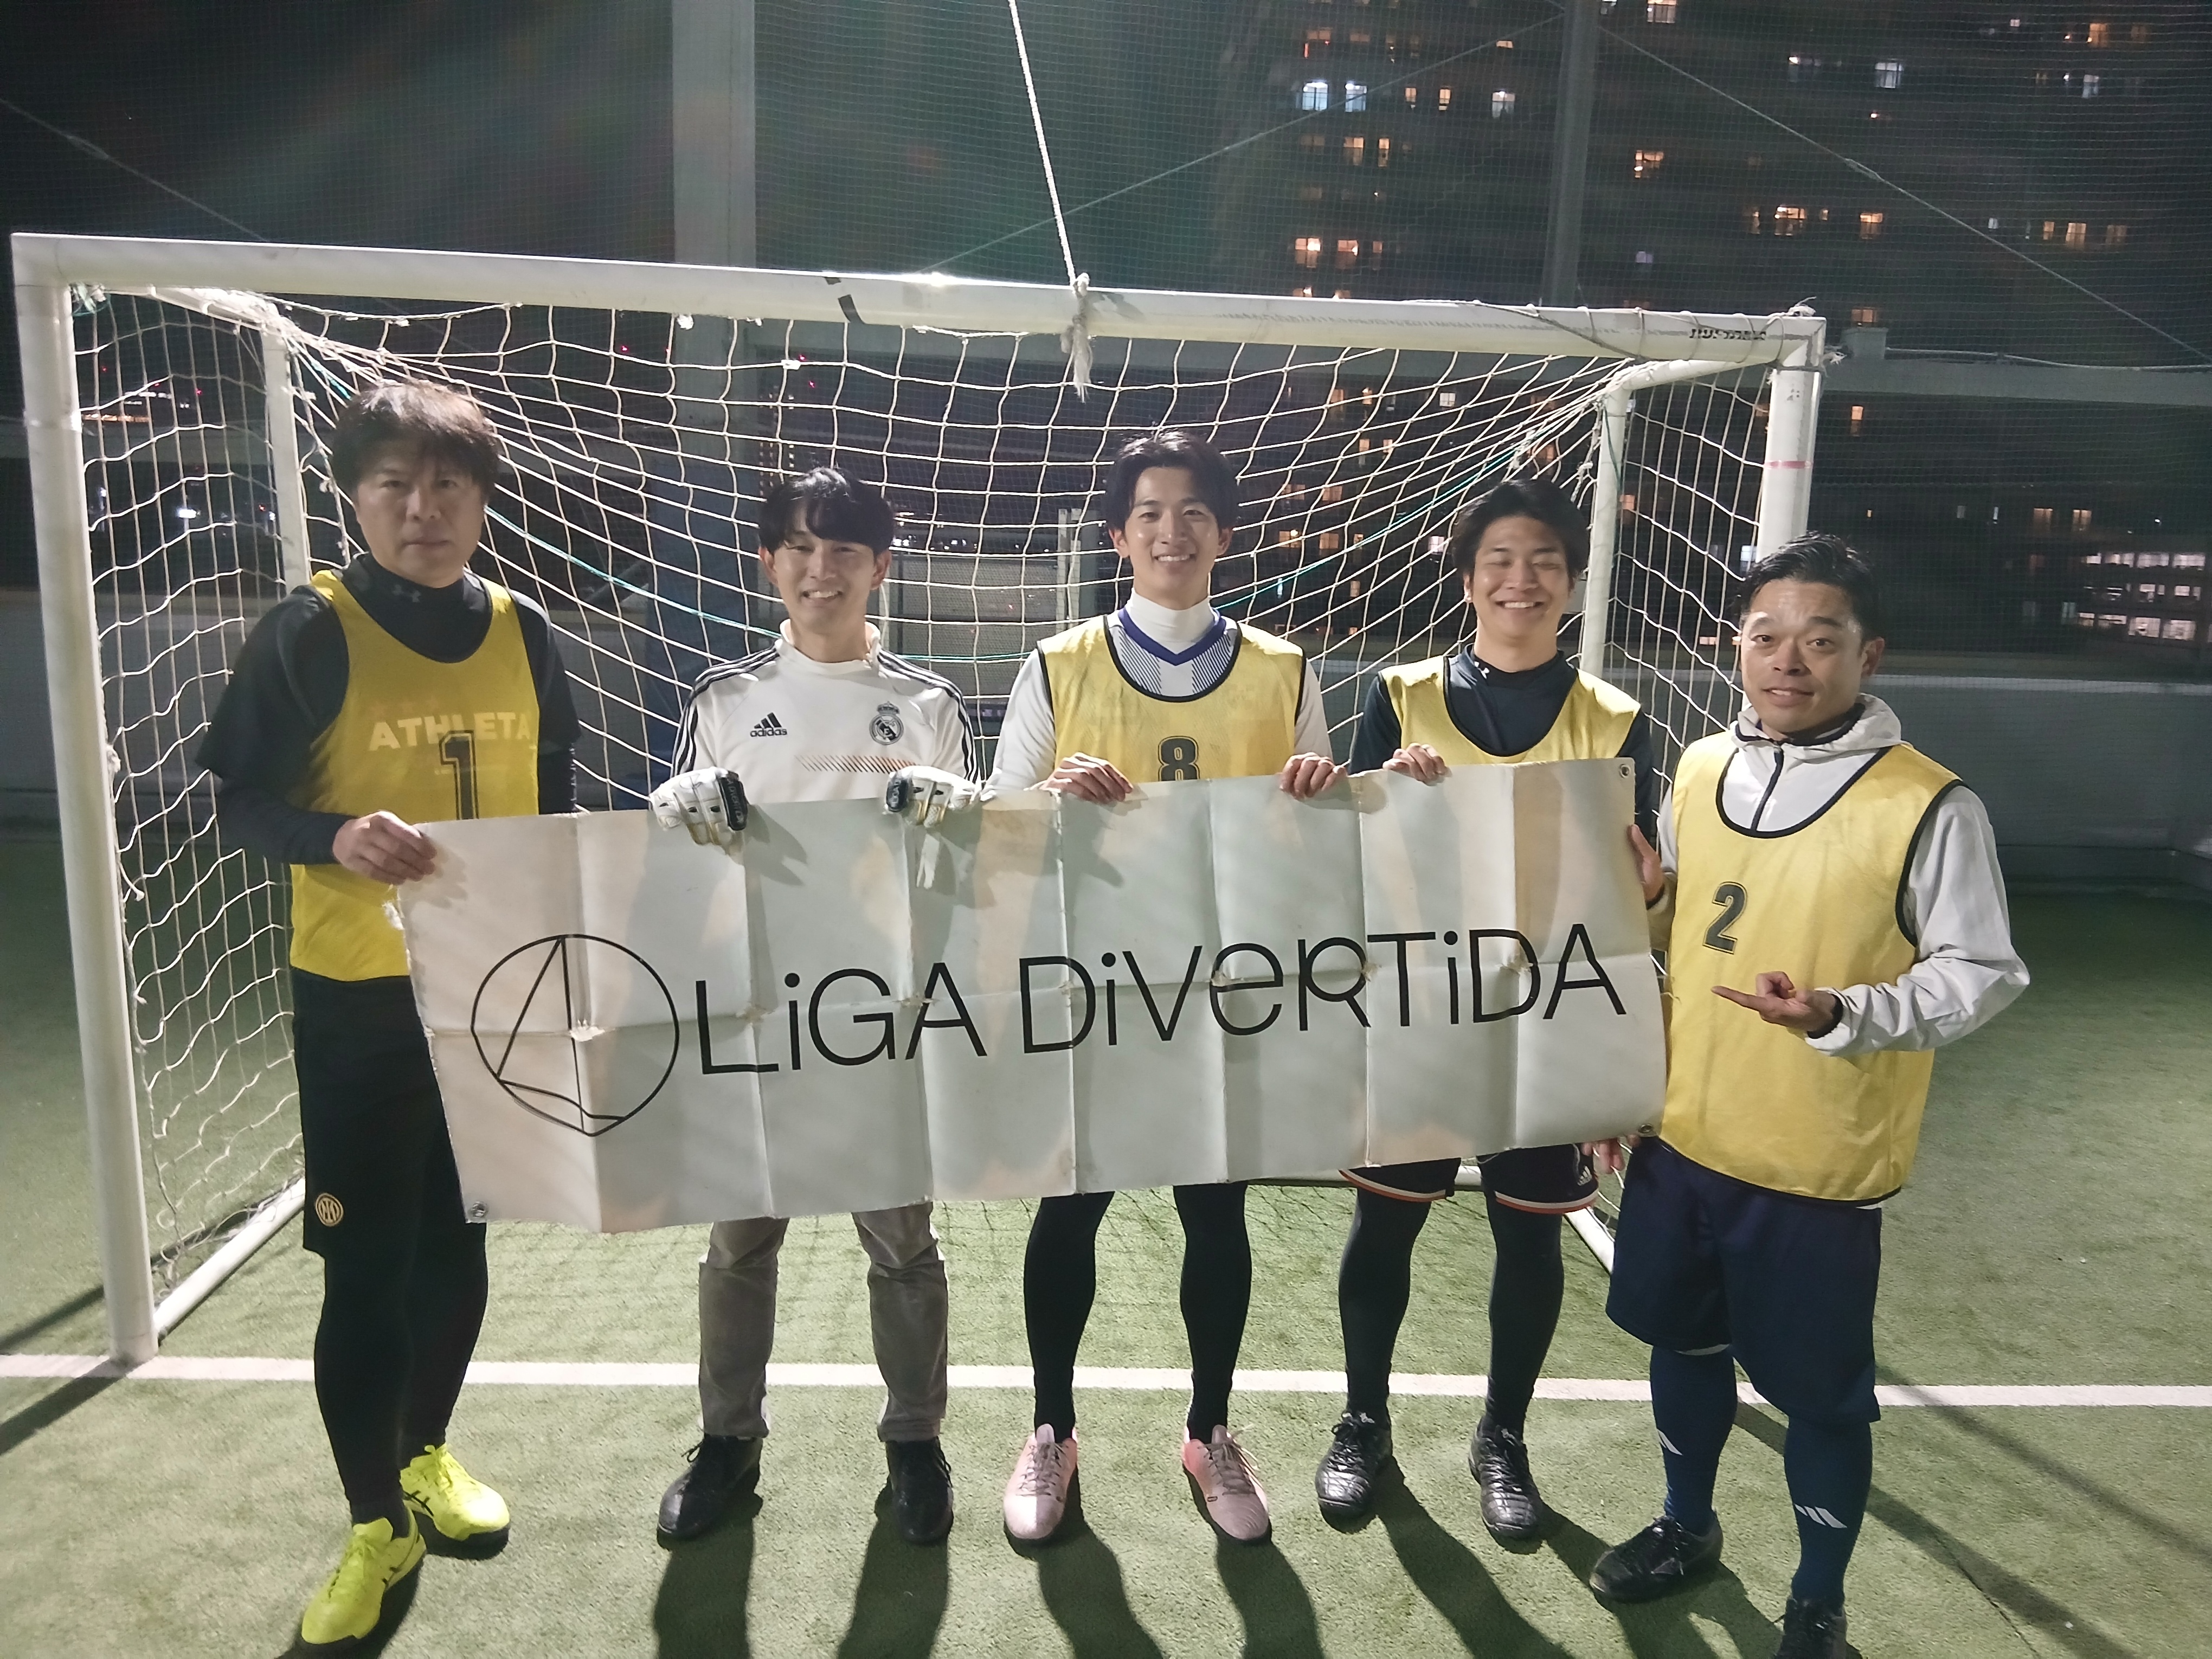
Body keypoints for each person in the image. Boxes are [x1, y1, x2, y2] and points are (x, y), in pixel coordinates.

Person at [1590, 535, 2028, 1659]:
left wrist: (1842, 1011)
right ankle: (1686, 1526)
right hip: (1684, 1139)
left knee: (1823, 1401)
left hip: (1815, 1169)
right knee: (1681, 1348)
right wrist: (1649, 911)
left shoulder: (1928, 803)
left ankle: (1818, 1602)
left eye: (1821, 640)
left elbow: (1983, 973)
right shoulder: (1699, 767)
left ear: (1867, 655)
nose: (1789, 661)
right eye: (1767, 636)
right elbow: (1683, 935)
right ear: (1737, 645)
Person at [198, 382, 579, 1648]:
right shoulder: (312, 631)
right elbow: (234, 801)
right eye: (395, 485)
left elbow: (556, 803)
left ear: (481, 500)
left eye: (448, 486)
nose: (423, 509)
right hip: (361, 1001)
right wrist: (333, 836)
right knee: (363, 1270)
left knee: (456, 1239)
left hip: (491, 995)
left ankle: (426, 1452)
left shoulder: (525, 630)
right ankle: (374, 1520)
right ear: (354, 496)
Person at [991, 429, 1345, 1547]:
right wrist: (1049, 792)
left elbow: (1318, 843)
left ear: (1225, 534)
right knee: (1071, 1206)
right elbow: (996, 825)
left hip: (1223, 992)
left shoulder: (1285, 670)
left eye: (1193, 511)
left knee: (1216, 1213)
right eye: (1149, 512)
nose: (1171, 530)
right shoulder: (1059, 662)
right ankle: (1051, 1429)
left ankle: (1209, 1431)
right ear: (1118, 535)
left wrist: (1320, 794)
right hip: (1095, 985)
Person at [1313, 478, 1662, 1533]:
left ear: (1571, 582)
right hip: (1421, 1011)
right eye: (1500, 560)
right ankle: (1363, 1421)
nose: (1522, 579)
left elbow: (1628, 895)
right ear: (1467, 581)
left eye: (1544, 561)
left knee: (1531, 1237)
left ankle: (1502, 1437)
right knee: (1385, 1224)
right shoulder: (1402, 698)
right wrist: (1383, 793)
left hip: (1547, 1022)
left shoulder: (1615, 721)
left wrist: (1620, 1049)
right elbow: (1352, 862)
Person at [646, 466, 980, 1548]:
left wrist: (965, 818)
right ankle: (727, 1441)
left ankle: (915, 1443)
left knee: (903, 1246)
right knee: (739, 1243)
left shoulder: (928, 705)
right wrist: (673, 808)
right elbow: (674, 866)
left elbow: (970, 876)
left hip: (880, 1022)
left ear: (881, 566)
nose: (819, 568)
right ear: (768, 563)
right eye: (798, 545)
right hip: (757, 1015)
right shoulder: (724, 699)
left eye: (842, 549)